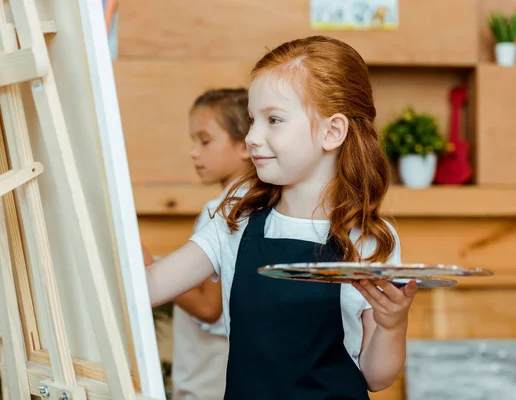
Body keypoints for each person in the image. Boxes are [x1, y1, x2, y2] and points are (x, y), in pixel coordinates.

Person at [145, 35, 418, 399]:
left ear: (332, 132)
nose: (253, 137)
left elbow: (377, 376)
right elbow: (150, 286)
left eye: (273, 120)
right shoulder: (236, 218)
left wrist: (391, 325)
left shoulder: (369, 238)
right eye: (251, 120)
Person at [169, 88, 252, 400]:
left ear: (245, 145)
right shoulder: (259, 205)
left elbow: (209, 307)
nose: (194, 152)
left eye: (204, 141)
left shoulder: (221, 210)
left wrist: (149, 268)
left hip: (208, 381)